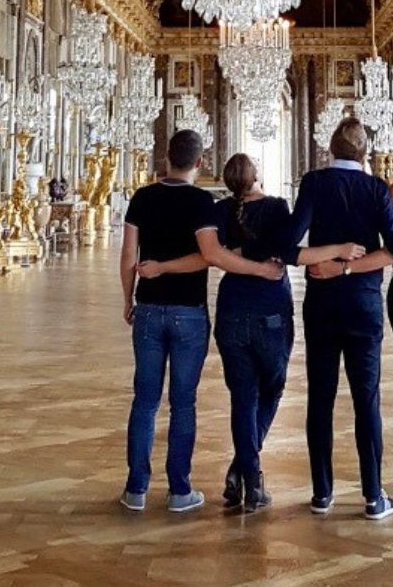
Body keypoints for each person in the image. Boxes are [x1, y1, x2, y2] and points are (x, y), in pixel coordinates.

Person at [139, 154, 365, 513]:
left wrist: (239, 253)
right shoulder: (277, 207)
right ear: (257, 174)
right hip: (271, 310)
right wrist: (339, 250)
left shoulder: (220, 210)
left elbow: (214, 254)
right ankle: (249, 473)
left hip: (231, 308)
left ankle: (245, 471)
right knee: (272, 389)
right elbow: (293, 254)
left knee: (243, 396)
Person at [281, 118, 393, 520]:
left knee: (320, 398)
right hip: (364, 304)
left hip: (322, 302)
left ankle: (322, 493)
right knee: (366, 399)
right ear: (365, 153)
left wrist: (326, 255)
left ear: (330, 148)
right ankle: (374, 495)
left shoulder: (314, 183)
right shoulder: (376, 189)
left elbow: (288, 241)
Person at [119, 130, 281, 513]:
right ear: (199, 162)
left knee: (144, 401)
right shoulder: (202, 202)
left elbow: (128, 257)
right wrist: (259, 269)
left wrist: (130, 297)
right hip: (188, 312)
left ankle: (136, 489)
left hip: (148, 308)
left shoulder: (142, 197)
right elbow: (210, 255)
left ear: (166, 159)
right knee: (183, 403)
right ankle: (179, 490)